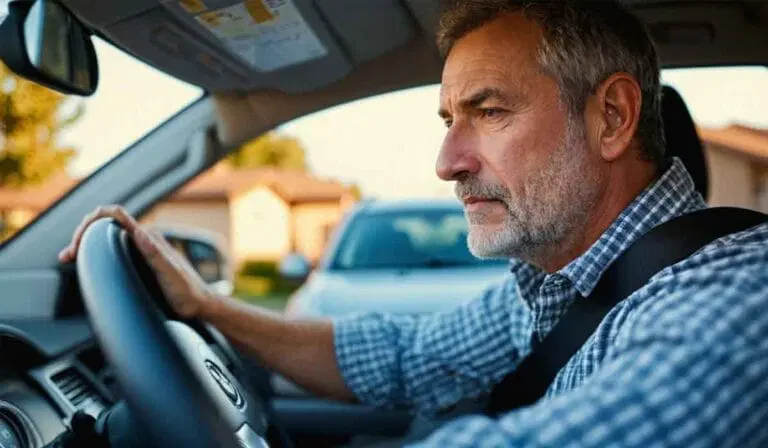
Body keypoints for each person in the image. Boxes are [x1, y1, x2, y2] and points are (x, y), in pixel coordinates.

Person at [59, 1, 768, 446]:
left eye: (488, 112)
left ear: (610, 117)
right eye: (448, 120)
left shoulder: (737, 295)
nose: (447, 162)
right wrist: (208, 306)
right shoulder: (555, 284)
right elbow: (404, 358)